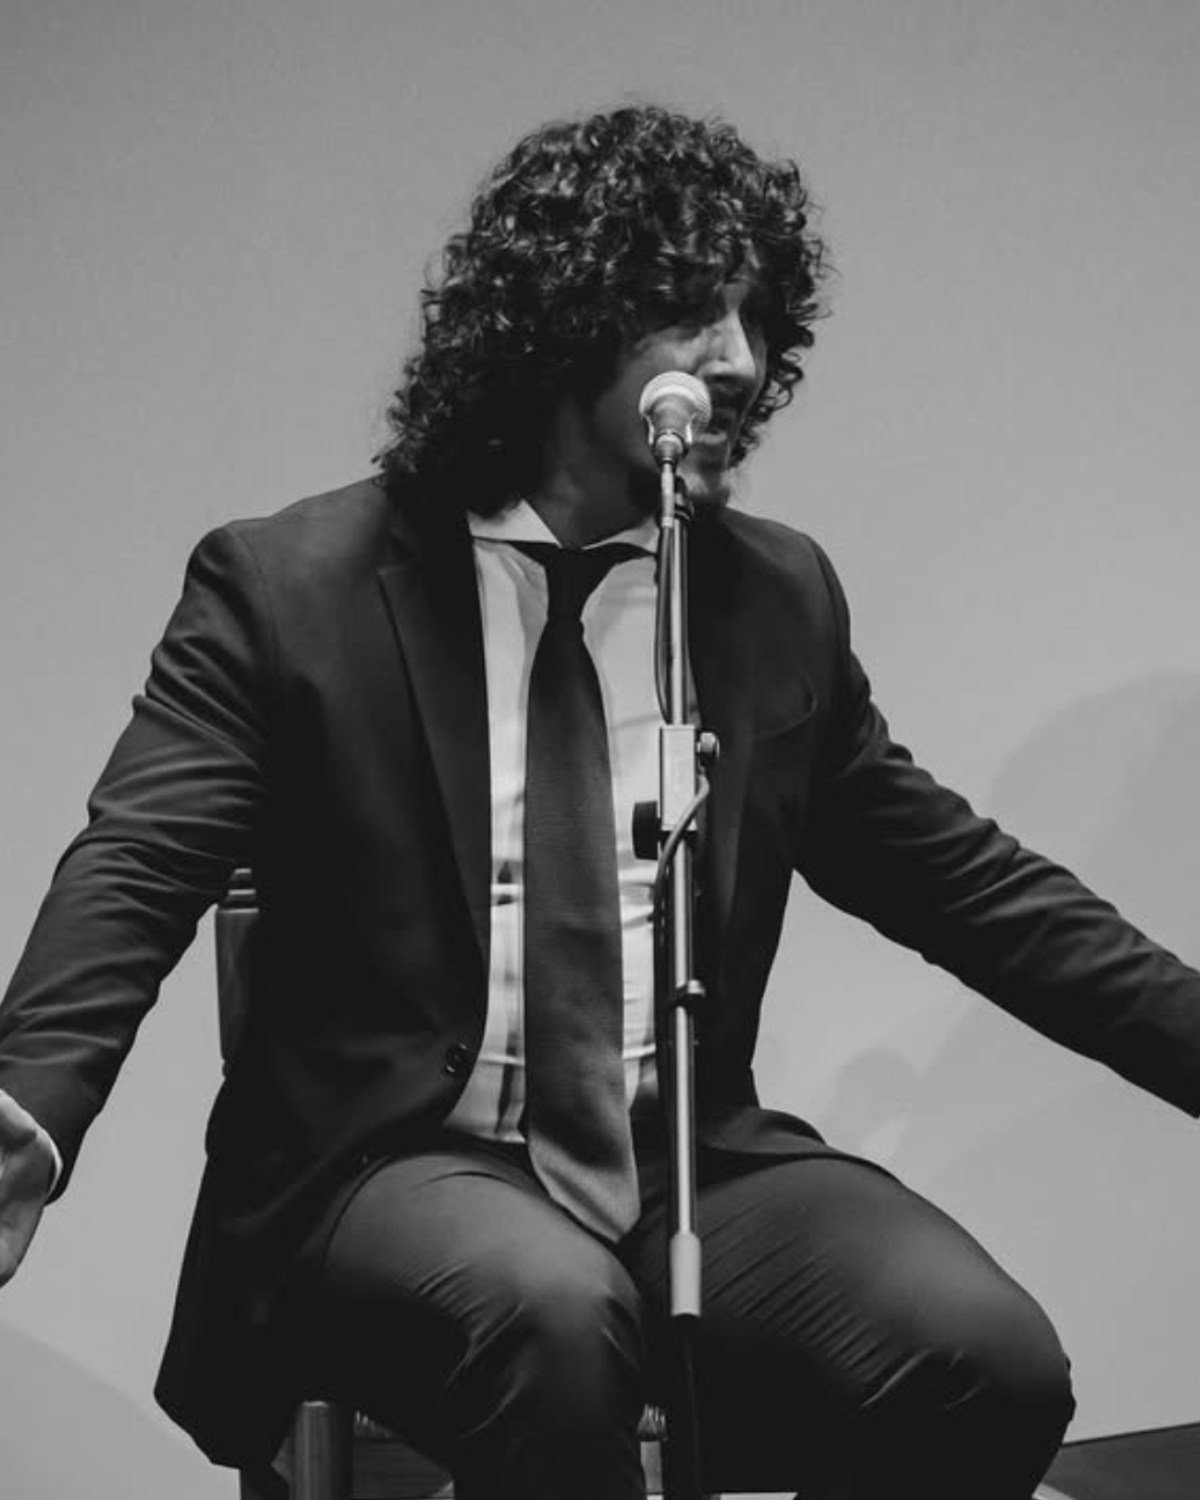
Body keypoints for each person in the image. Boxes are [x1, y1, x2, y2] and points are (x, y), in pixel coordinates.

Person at [1, 102, 1198, 1500]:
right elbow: (139, 859)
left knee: (983, 1358)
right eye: (693, 310)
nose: (740, 362)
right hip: (385, 1170)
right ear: (556, 315)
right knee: (553, 1317)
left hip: (678, 1165)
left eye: (761, 323)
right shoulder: (294, 588)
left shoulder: (765, 599)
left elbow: (970, 887)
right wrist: (31, 1100)